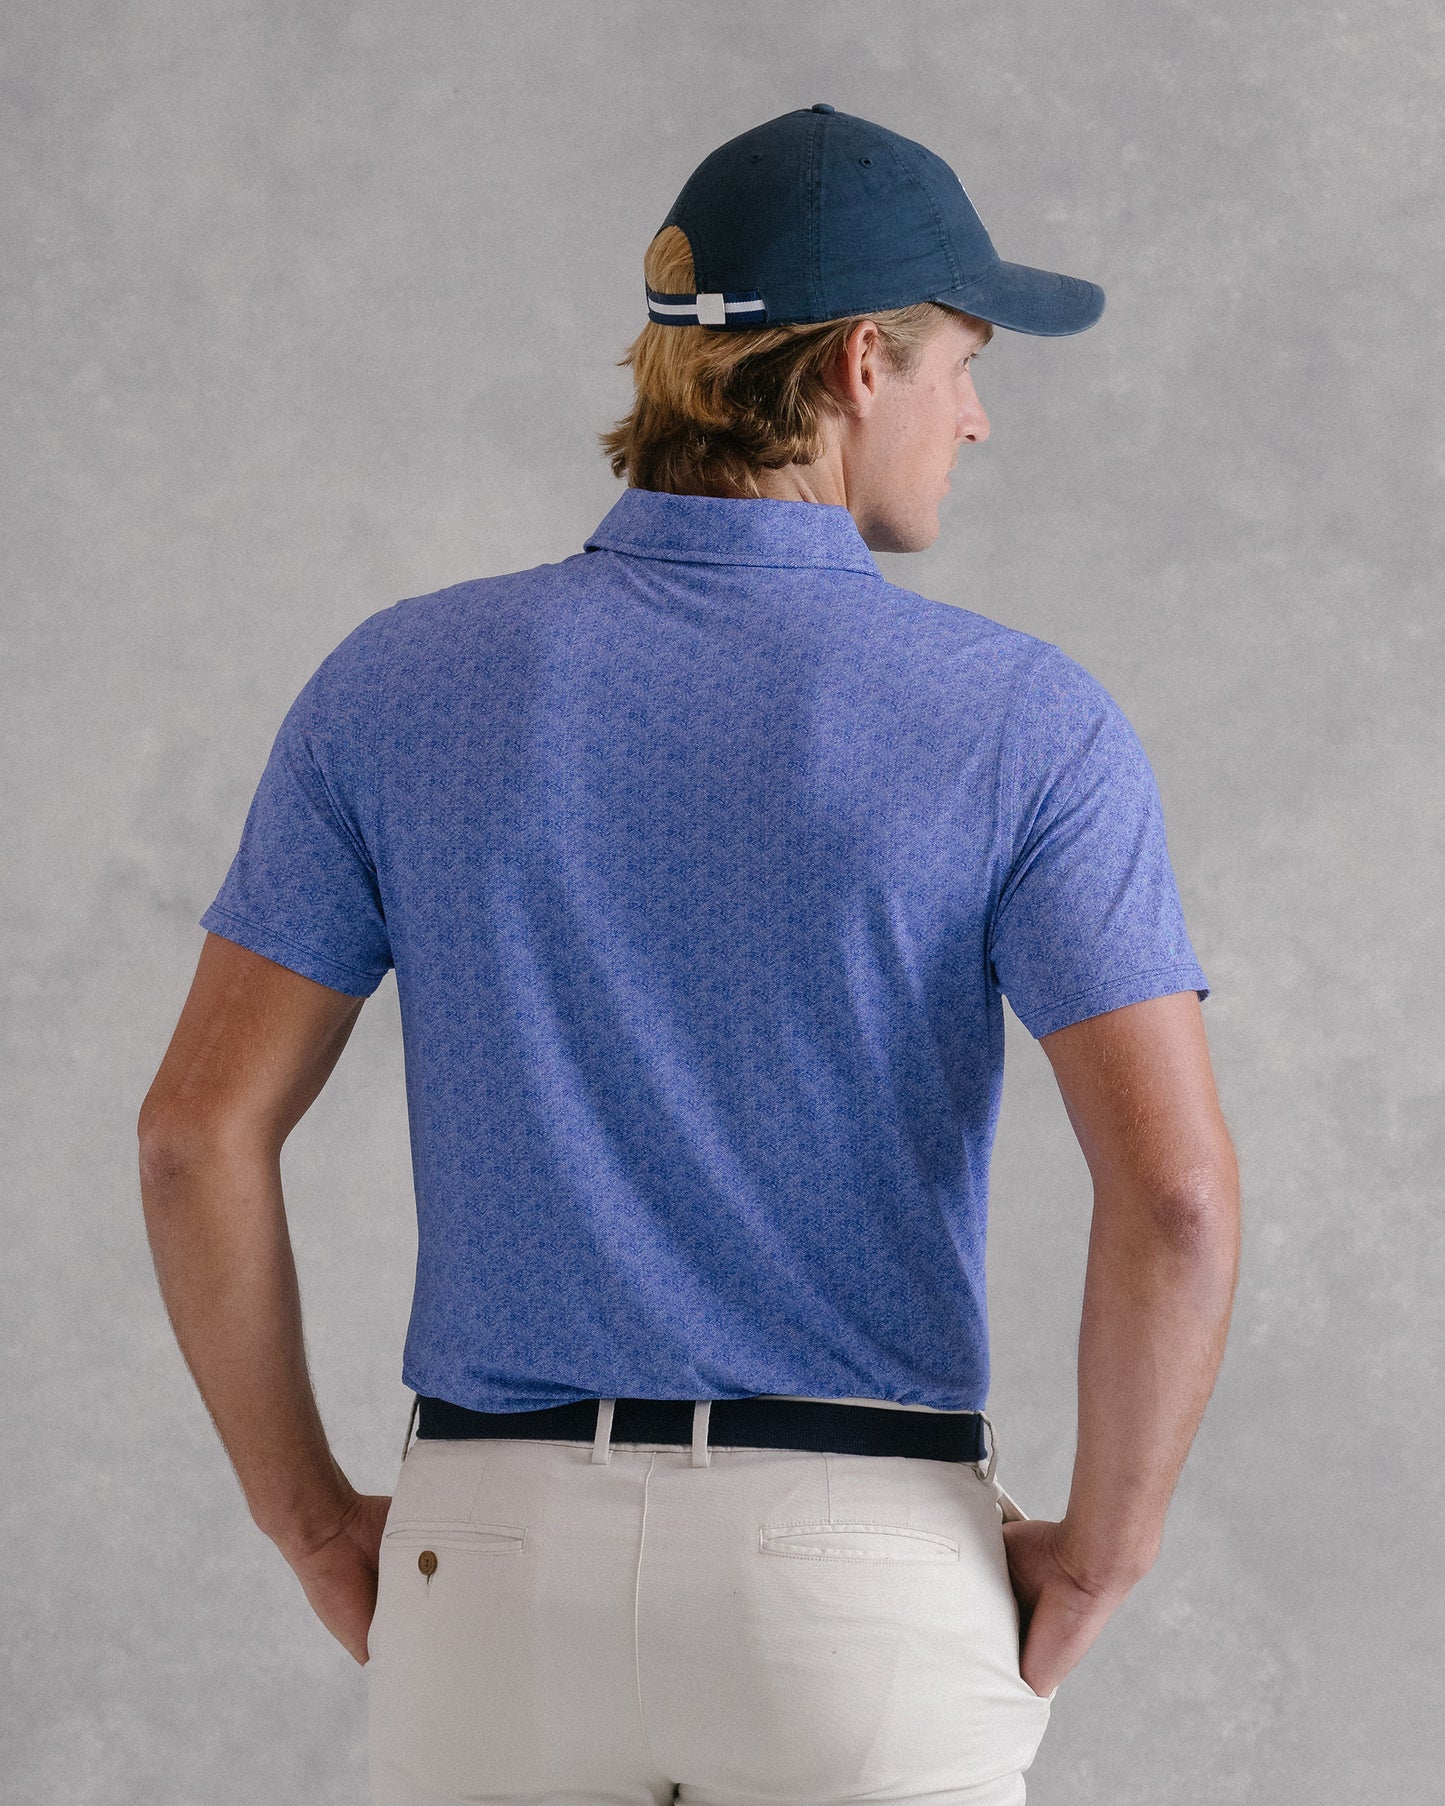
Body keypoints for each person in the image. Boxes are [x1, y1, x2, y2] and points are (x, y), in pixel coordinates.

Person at [138, 104, 1240, 1806]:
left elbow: (192, 1137)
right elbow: (1172, 1199)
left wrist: (309, 1520)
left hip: (486, 1566)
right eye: (963, 363)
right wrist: (1100, 1556)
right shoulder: (1020, 722)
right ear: (861, 363)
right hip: (857, 1570)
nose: (975, 415)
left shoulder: (397, 685)